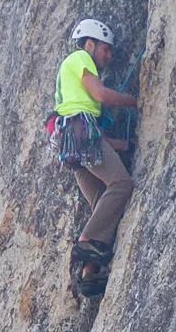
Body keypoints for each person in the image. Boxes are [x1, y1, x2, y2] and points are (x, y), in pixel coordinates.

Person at [52, 18, 139, 293]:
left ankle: (90, 272)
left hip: (72, 145)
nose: (109, 56)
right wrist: (136, 101)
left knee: (103, 202)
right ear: (89, 44)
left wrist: (124, 145)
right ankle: (86, 241)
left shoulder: (67, 82)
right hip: (81, 135)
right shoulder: (80, 58)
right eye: (105, 49)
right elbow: (100, 95)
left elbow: (96, 134)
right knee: (121, 184)